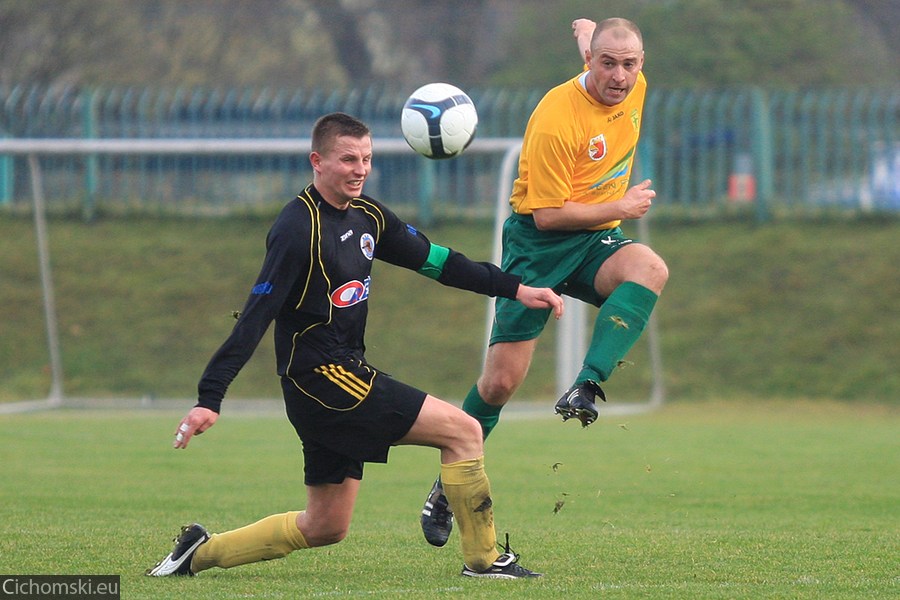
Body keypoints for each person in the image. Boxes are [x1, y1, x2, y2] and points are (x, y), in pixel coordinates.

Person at [144, 112, 564, 580]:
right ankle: (486, 560)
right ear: (317, 162)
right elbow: (256, 314)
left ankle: (197, 554)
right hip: (323, 378)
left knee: (325, 526)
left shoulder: (369, 215)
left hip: (335, 376)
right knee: (464, 431)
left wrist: (514, 288)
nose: (360, 168)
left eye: (366, 158)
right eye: (348, 159)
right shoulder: (296, 226)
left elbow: (437, 262)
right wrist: (210, 397)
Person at [420, 17, 668, 548]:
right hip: (538, 245)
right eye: (608, 63)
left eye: (629, 64)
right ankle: (446, 484)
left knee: (650, 267)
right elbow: (549, 216)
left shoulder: (630, 81)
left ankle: (588, 382)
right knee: (501, 384)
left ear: (641, 63)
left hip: (595, 238)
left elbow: (603, 48)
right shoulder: (557, 118)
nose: (620, 76)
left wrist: (586, 32)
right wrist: (621, 205)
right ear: (591, 63)